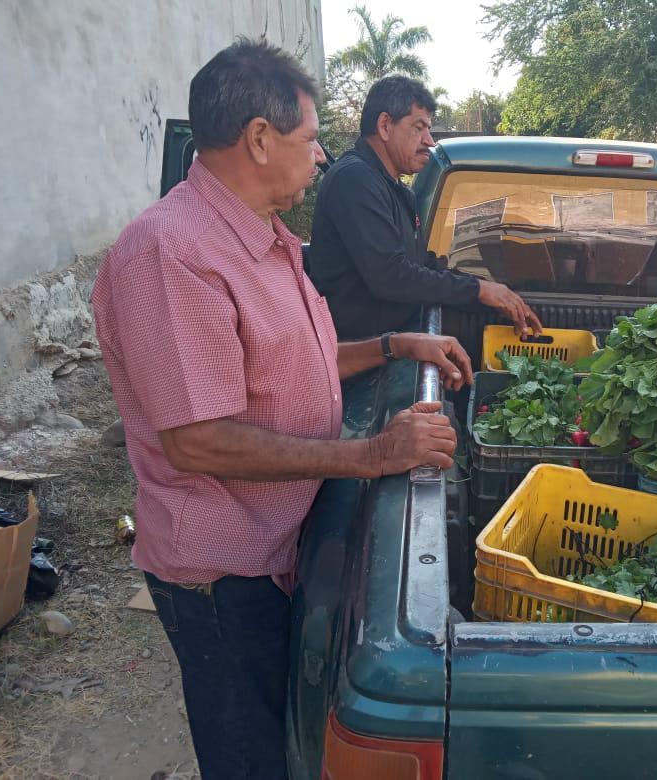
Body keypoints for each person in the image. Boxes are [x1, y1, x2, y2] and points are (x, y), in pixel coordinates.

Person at [91, 39, 472, 780]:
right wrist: (369, 456)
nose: (323, 157)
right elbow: (198, 440)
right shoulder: (172, 255)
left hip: (278, 548)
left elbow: (295, 363)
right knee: (251, 755)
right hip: (223, 575)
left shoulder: (265, 239)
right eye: (309, 139)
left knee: (287, 739)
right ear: (259, 141)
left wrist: (396, 345)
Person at [309, 75, 542, 340]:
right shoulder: (354, 179)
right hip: (361, 360)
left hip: (395, 345)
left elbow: (422, 264)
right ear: (385, 125)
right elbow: (392, 276)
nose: (429, 141)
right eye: (419, 127)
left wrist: (486, 290)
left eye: (428, 129)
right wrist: (478, 290)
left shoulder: (394, 188)